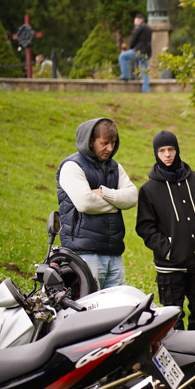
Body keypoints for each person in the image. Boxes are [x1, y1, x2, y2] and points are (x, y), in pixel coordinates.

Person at [136, 131, 195, 330]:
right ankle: (178, 360)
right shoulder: (149, 189)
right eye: (162, 150)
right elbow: (145, 227)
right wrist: (168, 249)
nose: (167, 155)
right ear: (156, 153)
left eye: (171, 149)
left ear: (177, 150)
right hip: (169, 268)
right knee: (173, 319)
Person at [56, 118, 138, 289]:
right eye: (105, 143)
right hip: (84, 255)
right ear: (90, 141)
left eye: (113, 143)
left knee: (116, 309)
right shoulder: (72, 166)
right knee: (89, 309)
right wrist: (116, 204)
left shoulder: (115, 167)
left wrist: (104, 193)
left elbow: (132, 197)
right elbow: (85, 203)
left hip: (114, 255)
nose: (110, 148)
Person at [118, 14, 152, 93]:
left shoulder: (139, 27)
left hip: (139, 51)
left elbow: (133, 39)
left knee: (122, 56)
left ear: (139, 20)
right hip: (147, 52)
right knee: (144, 70)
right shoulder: (148, 28)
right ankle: (145, 89)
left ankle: (125, 75)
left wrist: (130, 48)